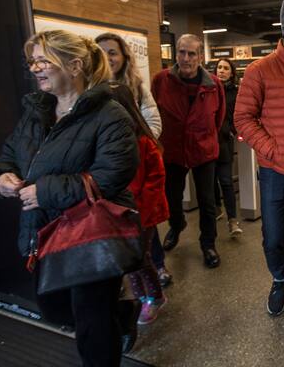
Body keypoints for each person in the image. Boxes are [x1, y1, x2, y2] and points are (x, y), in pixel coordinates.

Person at [0, 30, 139, 366]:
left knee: (91, 324)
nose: (35, 68)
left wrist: (46, 191)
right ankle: (123, 310)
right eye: (33, 61)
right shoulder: (36, 112)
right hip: (42, 229)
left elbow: (113, 174)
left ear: (75, 66)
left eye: (44, 60)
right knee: (54, 306)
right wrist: (1, 177)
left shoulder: (110, 114)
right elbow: (9, 154)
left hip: (90, 232)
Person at [234, 0, 284, 331]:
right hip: (274, 172)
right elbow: (242, 118)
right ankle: (280, 278)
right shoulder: (259, 70)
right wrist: (273, 150)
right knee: (272, 238)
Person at [95, 33, 173, 286]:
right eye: (102, 52)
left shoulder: (136, 86)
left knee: (144, 231)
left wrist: (134, 144)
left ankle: (155, 272)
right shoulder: (90, 89)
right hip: (108, 170)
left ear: (123, 56)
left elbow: (153, 122)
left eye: (113, 52)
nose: (108, 57)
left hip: (136, 164)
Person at [152, 34, 226, 268]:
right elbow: (152, 113)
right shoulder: (161, 80)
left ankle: (208, 244)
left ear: (200, 57)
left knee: (207, 201)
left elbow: (219, 116)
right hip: (172, 150)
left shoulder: (214, 84)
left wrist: (203, 136)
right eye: (182, 52)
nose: (186, 58)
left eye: (191, 53)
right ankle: (177, 224)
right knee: (171, 197)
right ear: (176, 54)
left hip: (203, 149)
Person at [110, 86, 169, 325]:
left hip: (143, 213)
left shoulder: (144, 141)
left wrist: (140, 211)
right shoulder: (112, 141)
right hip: (123, 212)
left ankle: (154, 297)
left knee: (140, 258)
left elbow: (155, 179)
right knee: (130, 260)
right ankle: (141, 296)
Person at [213, 58, 242, 237]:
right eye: (219, 68)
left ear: (231, 72)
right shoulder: (209, 88)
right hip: (207, 143)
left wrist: (232, 130)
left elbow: (239, 115)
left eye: (225, 68)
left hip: (224, 142)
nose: (221, 71)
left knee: (225, 181)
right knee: (209, 181)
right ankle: (217, 209)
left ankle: (232, 221)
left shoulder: (236, 92)